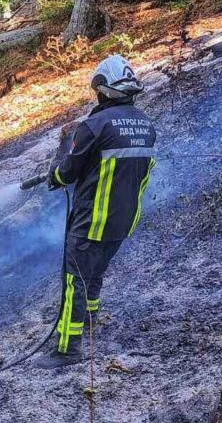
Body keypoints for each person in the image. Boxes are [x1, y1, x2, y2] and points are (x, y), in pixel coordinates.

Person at [40, 54, 157, 368]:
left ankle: (66, 349)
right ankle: (90, 322)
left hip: (92, 219)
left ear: (103, 88)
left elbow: (68, 173)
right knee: (95, 275)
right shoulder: (146, 125)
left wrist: (54, 176)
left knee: (74, 280)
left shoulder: (94, 125)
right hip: (124, 220)